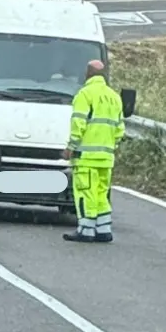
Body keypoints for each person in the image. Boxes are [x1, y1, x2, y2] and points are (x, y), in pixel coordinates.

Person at [62, 59, 125, 243]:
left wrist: (71, 147)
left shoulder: (85, 94)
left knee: (85, 193)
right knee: (100, 193)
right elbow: (120, 129)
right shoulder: (114, 97)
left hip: (86, 157)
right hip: (106, 157)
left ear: (87, 74)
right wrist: (110, 147)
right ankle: (104, 228)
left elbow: (78, 124)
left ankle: (86, 229)